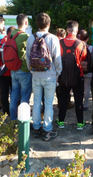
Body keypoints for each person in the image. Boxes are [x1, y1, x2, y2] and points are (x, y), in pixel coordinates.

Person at [26, 13, 62, 141]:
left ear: (37, 24)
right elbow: (57, 59)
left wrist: (32, 70)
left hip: (36, 74)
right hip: (50, 75)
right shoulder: (53, 38)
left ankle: (36, 127)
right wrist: (58, 72)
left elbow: (27, 57)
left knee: (35, 101)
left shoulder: (31, 38)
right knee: (48, 103)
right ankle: (47, 129)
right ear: (49, 24)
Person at [56, 20, 87, 130]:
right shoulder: (81, 44)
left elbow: (56, 59)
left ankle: (61, 122)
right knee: (78, 100)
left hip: (63, 76)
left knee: (63, 100)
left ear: (67, 29)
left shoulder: (59, 43)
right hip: (78, 76)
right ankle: (80, 123)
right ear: (76, 30)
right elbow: (84, 60)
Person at [9, 14, 32, 121]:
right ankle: (23, 120)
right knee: (24, 96)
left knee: (14, 94)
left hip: (13, 69)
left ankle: (13, 119)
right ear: (26, 22)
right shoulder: (25, 37)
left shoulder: (11, 34)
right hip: (24, 70)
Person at [0, 26, 16, 115]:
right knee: (14, 93)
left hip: (1, 71)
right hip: (11, 72)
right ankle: (14, 111)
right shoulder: (13, 42)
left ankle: (6, 111)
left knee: (4, 92)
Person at [78, 29, 93, 110]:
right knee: (87, 88)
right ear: (87, 38)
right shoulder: (91, 48)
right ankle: (86, 104)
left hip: (79, 71)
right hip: (89, 71)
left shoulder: (77, 46)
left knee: (79, 88)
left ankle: (79, 103)